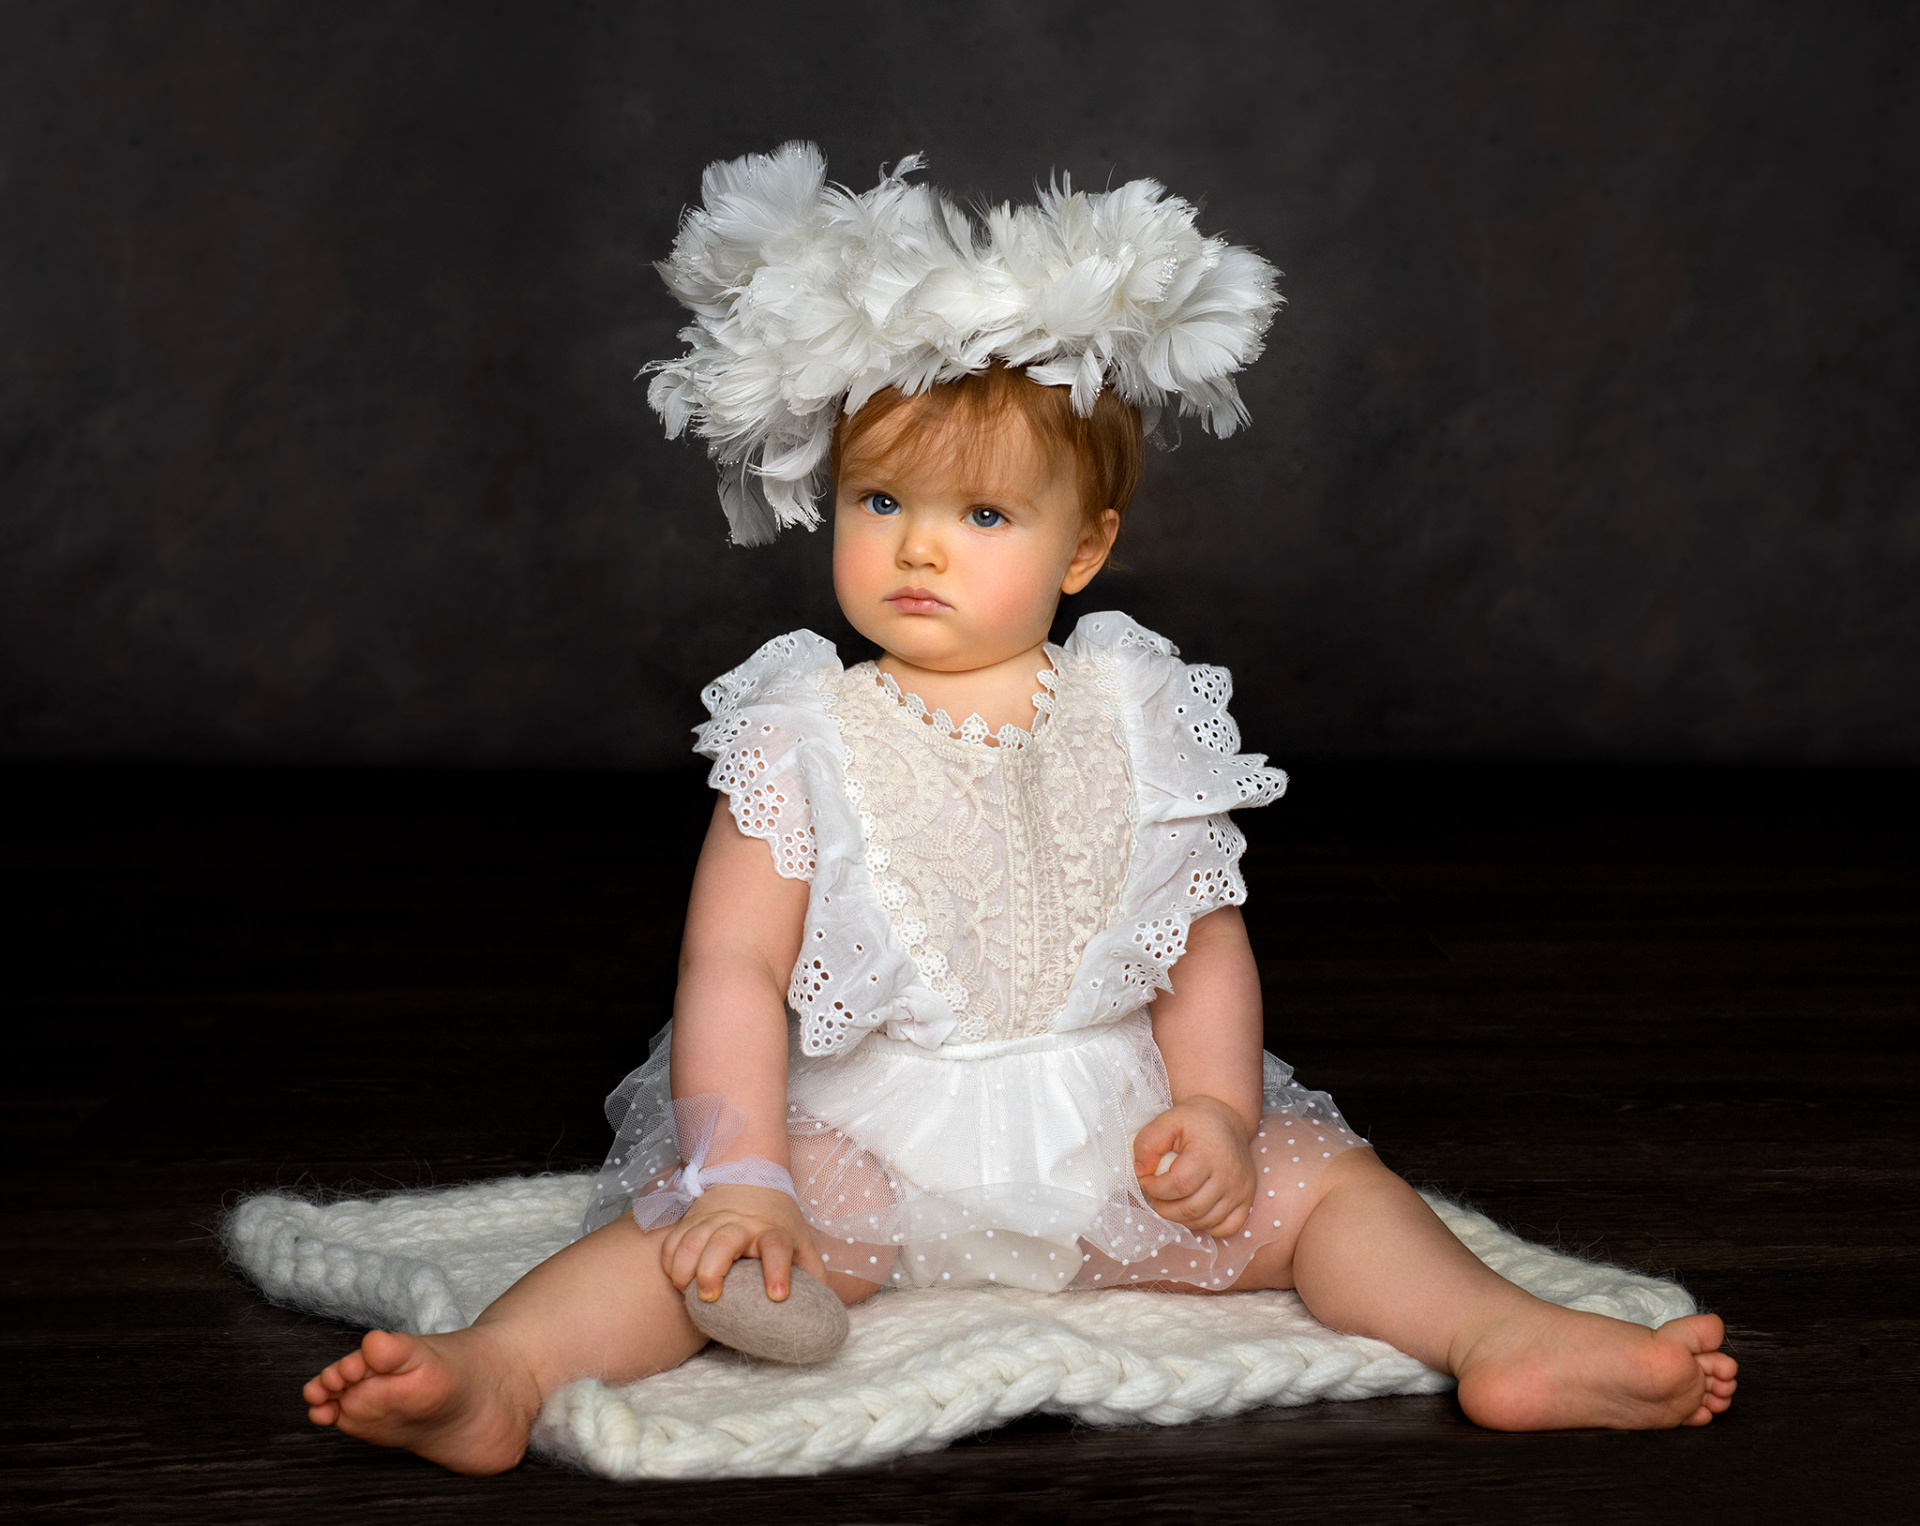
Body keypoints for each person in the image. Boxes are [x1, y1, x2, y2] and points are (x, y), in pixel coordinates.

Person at [301, 145, 1736, 1474]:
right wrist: (745, 1172)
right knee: (695, 1236)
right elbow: (730, 965)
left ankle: (1499, 1335)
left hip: (1111, 1142)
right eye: (880, 503)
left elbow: (1202, 940)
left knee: (1335, 1188)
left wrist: (1218, 1113)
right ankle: (504, 1367)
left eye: (983, 517)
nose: (919, 548)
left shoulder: (1137, 709)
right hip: (880, 1143)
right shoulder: (804, 725)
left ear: (1083, 548)